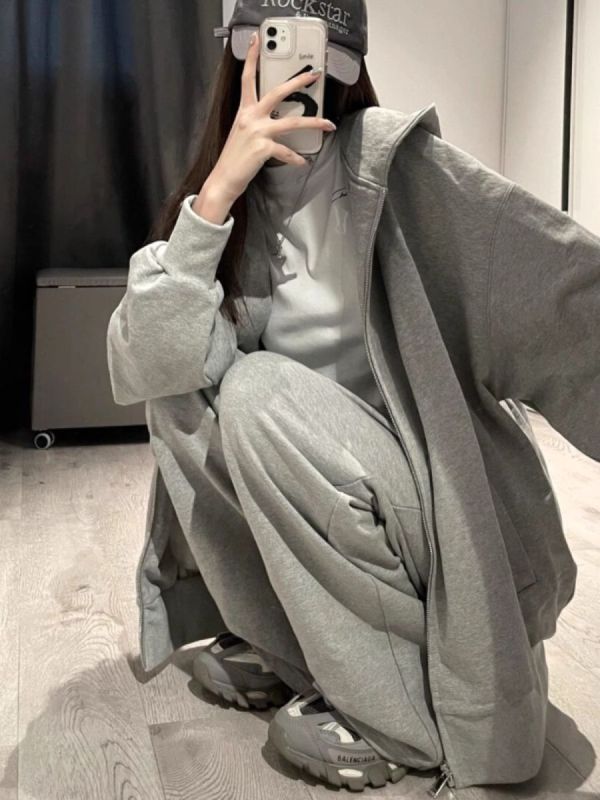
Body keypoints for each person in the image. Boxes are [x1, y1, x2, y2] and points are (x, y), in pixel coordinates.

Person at [106, 0, 600, 794]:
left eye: (313, 57)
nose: (292, 76)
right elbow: (144, 364)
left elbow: (566, 289)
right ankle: (296, 648)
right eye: (272, 51)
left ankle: (400, 719)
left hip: (437, 516)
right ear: (238, 58)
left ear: (346, 66)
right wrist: (216, 197)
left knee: (258, 391)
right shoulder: (231, 201)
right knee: (183, 385)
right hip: (340, 495)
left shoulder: (404, 174)